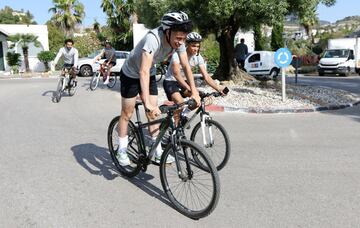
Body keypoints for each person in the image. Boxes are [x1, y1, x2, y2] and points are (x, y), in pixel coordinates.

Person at [116, 11, 200, 166]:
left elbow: (186, 66)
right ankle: (121, 149)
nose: (181, 42)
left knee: (153, 114)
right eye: (179, 38)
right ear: (168, 32)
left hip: (150, 73)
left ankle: (156, 151)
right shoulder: (153, 38)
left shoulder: (179, 42)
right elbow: (143, 70)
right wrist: (146, 102)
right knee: (127, 113)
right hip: (131, 73)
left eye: (184, 38)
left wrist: (194, 92)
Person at [163, 32, 227, 126]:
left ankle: (182, 115)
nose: (196, 49)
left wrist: (218, 89)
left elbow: (206, 76)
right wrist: (192, 90)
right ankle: (174, 131)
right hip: (171, 82)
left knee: (198, 101)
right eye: (193, 46)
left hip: (183, 83)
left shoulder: (198, 57)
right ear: (187, 44)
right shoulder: (178, 55)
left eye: (197, 46)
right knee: (180, 103)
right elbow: (177, 75)